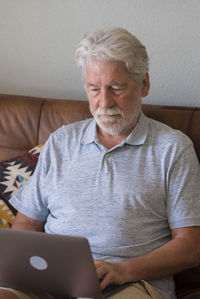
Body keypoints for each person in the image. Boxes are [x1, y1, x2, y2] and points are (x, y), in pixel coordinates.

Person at [1, 27, 200, 299]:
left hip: (132, 284)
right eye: (94, 89)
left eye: (116, 88)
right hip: (52, 282)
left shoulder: (173, 149)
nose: (104, 102)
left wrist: (123, 270)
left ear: (144, 84)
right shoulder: (60, 142)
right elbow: (26, 224)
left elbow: (190, 247)